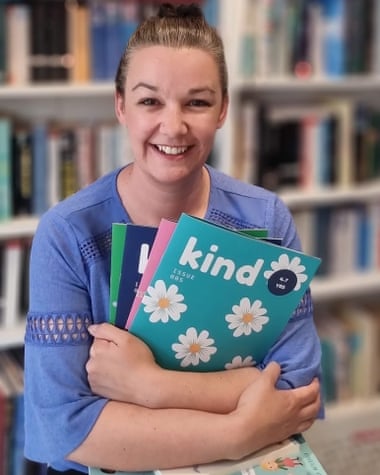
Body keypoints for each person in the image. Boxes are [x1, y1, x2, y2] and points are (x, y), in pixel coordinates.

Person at [24, 3, 323, 474]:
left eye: (197, 102)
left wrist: (149, 386)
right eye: (150, 101)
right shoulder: (66, 233)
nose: (173, 125)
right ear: (120, 105)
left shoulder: (266, 217)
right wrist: (238, 429)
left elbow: (297, 388)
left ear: (223, 109)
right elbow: (65, 426)